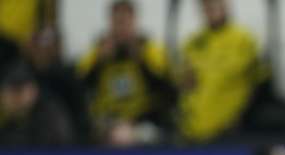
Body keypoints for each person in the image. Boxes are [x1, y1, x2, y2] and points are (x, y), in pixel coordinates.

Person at [77, 0, 172, 146]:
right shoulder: (97, 50)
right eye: (117, 22)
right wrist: (99, 62)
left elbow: (167, 90)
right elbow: (79, 87)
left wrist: (142, 62)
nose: (121, 27)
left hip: (143, 121)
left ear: (134, 21)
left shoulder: (150, 49)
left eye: (125, 22)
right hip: (107, 122)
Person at [177, 0, 262, 143]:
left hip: (228, 128)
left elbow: (255, 80)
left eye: (214, 4)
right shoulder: (194, 41)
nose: (210, 10)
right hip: (192, 129)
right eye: (206, 5)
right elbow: (185, 82)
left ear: (226, 5)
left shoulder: (243, 39)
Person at [0, 59, 71, 146]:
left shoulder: (50, 116)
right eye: (11, 91)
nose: (16, 98)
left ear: (35, 91)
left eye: (20, 90)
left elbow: (61, 150)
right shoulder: (4, 118)